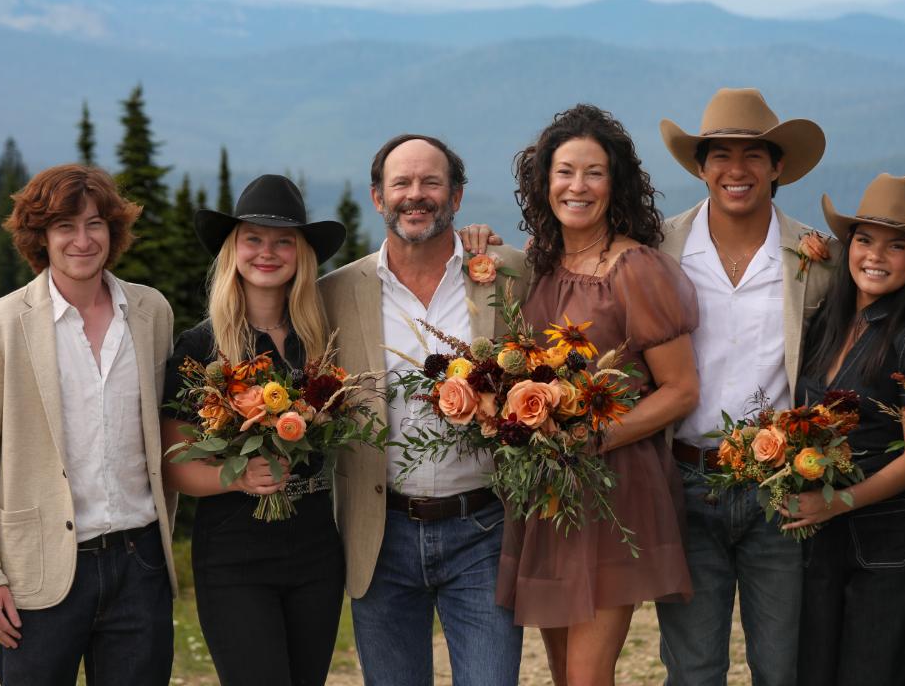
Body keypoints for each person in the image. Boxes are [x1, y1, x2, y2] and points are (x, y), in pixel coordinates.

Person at [0, 164, 177, 685]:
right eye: (64, 226)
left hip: (140, 565)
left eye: (94, 224)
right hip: (39, 575)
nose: (81, 239)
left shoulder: (151, 312)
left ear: (112, 231)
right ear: (40, 237)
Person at [494, 104, 700, 686]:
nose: (577, 186)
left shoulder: (636, 268)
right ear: (543, 183)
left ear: (617, 184)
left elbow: (681, 390)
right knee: (562, 673)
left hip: (613, 489)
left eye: (594, 172)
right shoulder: (541, 265)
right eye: (564, 172)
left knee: (587, 677)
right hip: (548, 491)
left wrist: (589, 439)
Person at [318, 134, 527, 686]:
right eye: (402, 184)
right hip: (379, 533)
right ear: (377, 197)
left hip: (484, 528)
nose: (417, 195)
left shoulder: (507, 273)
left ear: (457, 197)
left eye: (431, 183)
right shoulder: (337, 292)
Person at [654, 87, 838, 686]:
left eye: (753, 155)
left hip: (779, 489)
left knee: (782, 665)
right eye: (721, 155)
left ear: (778, 167)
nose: (737, 170)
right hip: (685, 480)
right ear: (701, 167)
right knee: (693, 666)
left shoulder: (816, 258)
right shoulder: (661, 248)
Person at [780, 174, 905, 686]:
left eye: (896, 244)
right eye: (864, 239)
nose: (875, 255)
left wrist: (840, 502)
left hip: (890, 538)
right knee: (815, 670)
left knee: (874, 672)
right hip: (824, 535)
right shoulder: (828, 325)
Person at [159, 174, 347, 686]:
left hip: (316, 549)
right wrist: (237, 478)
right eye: (253, 239)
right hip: (234, 552)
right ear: (233, 250)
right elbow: (173, 463)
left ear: (301, 255)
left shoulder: (321, 344)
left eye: (284, 241)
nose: (268, 252)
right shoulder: (200, 348)